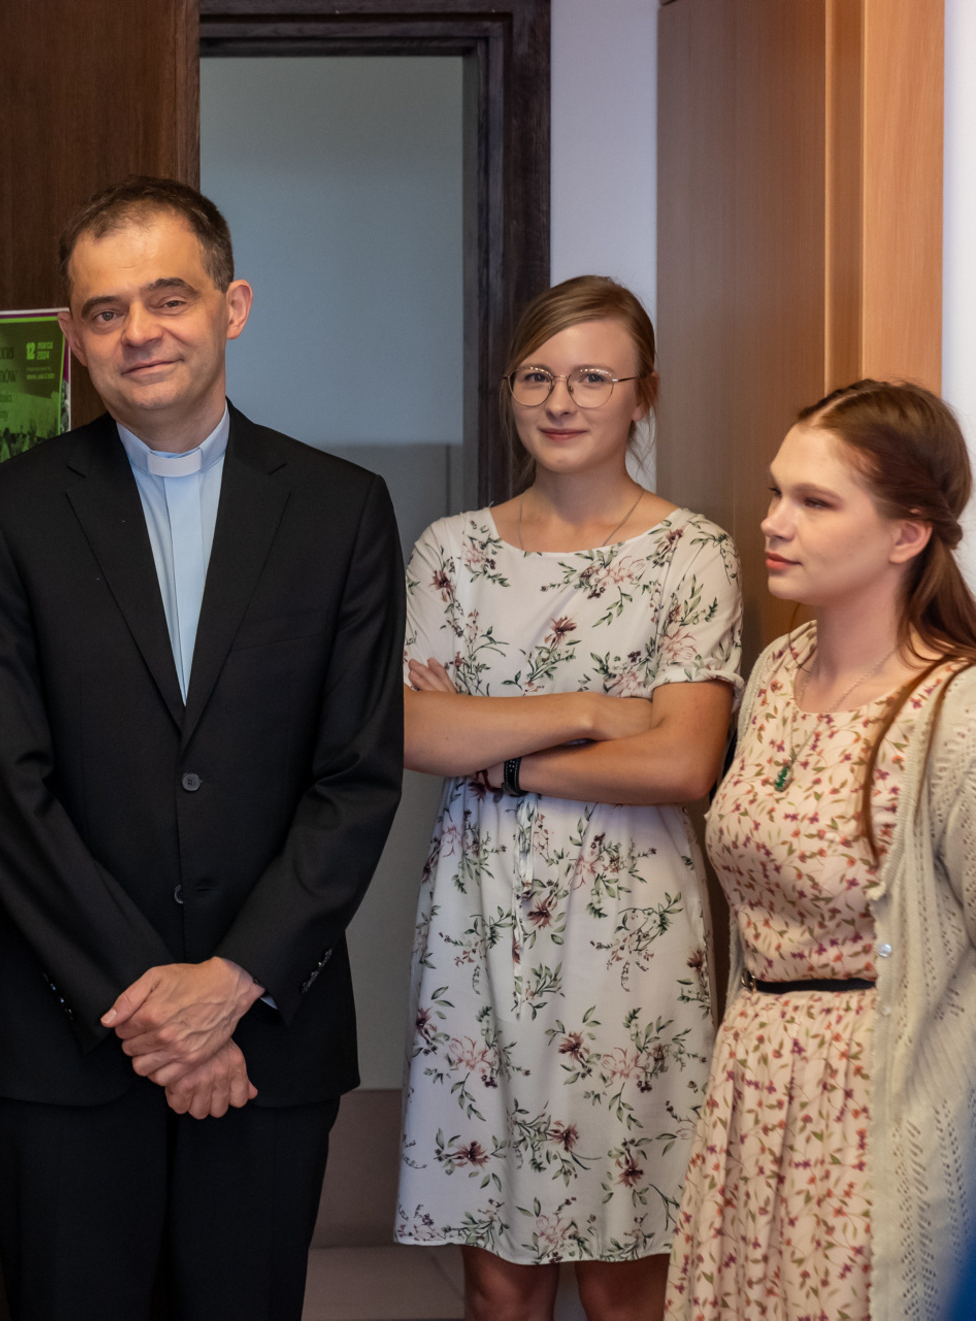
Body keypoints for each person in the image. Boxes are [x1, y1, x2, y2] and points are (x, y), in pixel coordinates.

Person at [0, 175, 404, 1321]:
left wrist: (233, 983)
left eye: (169, 298)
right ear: (74, 339)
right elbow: (11, 790)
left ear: (231, 306)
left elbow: (354, 780)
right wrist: (157, 1011)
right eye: (105, 312)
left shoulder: (342, 510)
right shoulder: (6, 513)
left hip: (270, 1038)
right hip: (66, 1044)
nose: (138, 332)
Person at [395, 276, 739, 1320]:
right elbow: (413, 733)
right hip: (479, 922)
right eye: (536, 376)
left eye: (592, 377)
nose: (559, 400)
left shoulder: (693, 552)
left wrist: (500, 754)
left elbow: (683, 763)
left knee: (625, 1268)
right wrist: (595, 710)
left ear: (644, 395)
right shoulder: (452, 551)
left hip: (632, 926)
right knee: (497, 1280)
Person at [666, 379, 976, 1319]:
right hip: (754, 1088)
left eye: (815, 501)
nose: (775, 521)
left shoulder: (955, 711)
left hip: (876, 1105)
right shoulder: (776, 670)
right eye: (777, 492)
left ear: (907, 533)